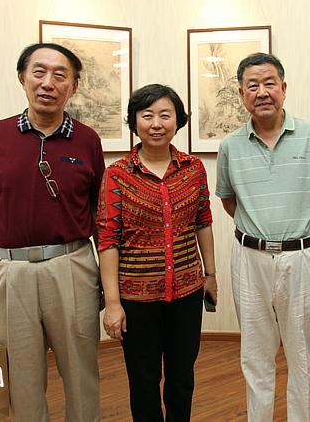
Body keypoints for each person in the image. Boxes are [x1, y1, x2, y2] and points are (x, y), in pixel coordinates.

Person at [0, 43, 104, 422]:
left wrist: (108, 279)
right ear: (22, 78)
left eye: (60, 75)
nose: (48, 83)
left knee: (81, 373)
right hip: (12, 274)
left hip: (73, 267)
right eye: (39, 72)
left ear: (74, 86)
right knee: (19, 379)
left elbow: (98, 214)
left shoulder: (88, 140)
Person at [216, 52, 310, 422]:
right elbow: (228, 200)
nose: (262, 92)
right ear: (242, 95)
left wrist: (301, 230)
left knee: (302, 355)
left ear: (283, 88)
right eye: (252, 86)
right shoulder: (230, 145)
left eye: (269, 83)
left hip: (302, 257)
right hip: (248, 258)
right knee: (255, 354)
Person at [97, 83, 217, 422]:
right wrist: (113, 303)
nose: (156, 124)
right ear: (134, 121)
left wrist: (210, 275)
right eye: (147, 115)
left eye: (165, 115)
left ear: (178, 121)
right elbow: (108, 240)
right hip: (136, 299)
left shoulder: (193, 168)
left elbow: (203, 222)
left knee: (182, 376)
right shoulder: (117, 174)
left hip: (187, 292)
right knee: (143, 381)